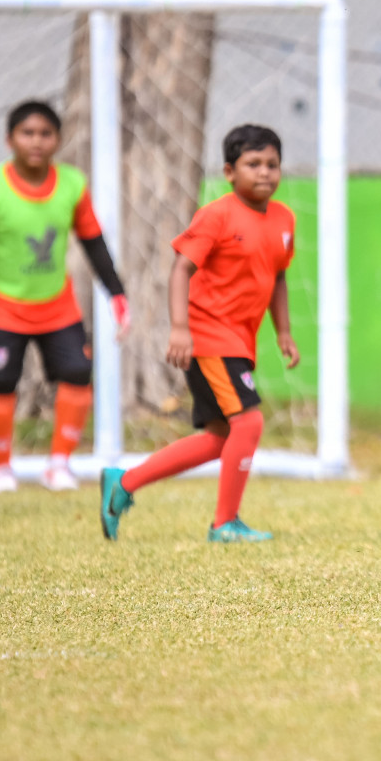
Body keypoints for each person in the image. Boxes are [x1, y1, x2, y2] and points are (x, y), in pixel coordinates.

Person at [98, 125, 300, 544]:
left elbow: (278, 276)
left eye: (272, 164)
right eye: (253, 164)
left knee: (218, 438)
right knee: (249, 422)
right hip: (209, 335)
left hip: (240, 342)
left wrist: (283, 332)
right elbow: (181, 269)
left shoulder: (284, 219)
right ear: (229, 171)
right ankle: (225, 524)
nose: (264, 173)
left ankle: (125, 482)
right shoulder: (217, 215)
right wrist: (179, 328)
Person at [0, 99, 131, 494]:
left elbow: (93, 241)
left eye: (45, 134)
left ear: (58, 140)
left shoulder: (72, 184)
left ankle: (59, 465)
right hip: (2, 306)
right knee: (1, 383)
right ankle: (1, 469)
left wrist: (117, 294)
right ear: (9, 139)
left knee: (77, 373)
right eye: (27, 133)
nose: (36, 141)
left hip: (57, 305)